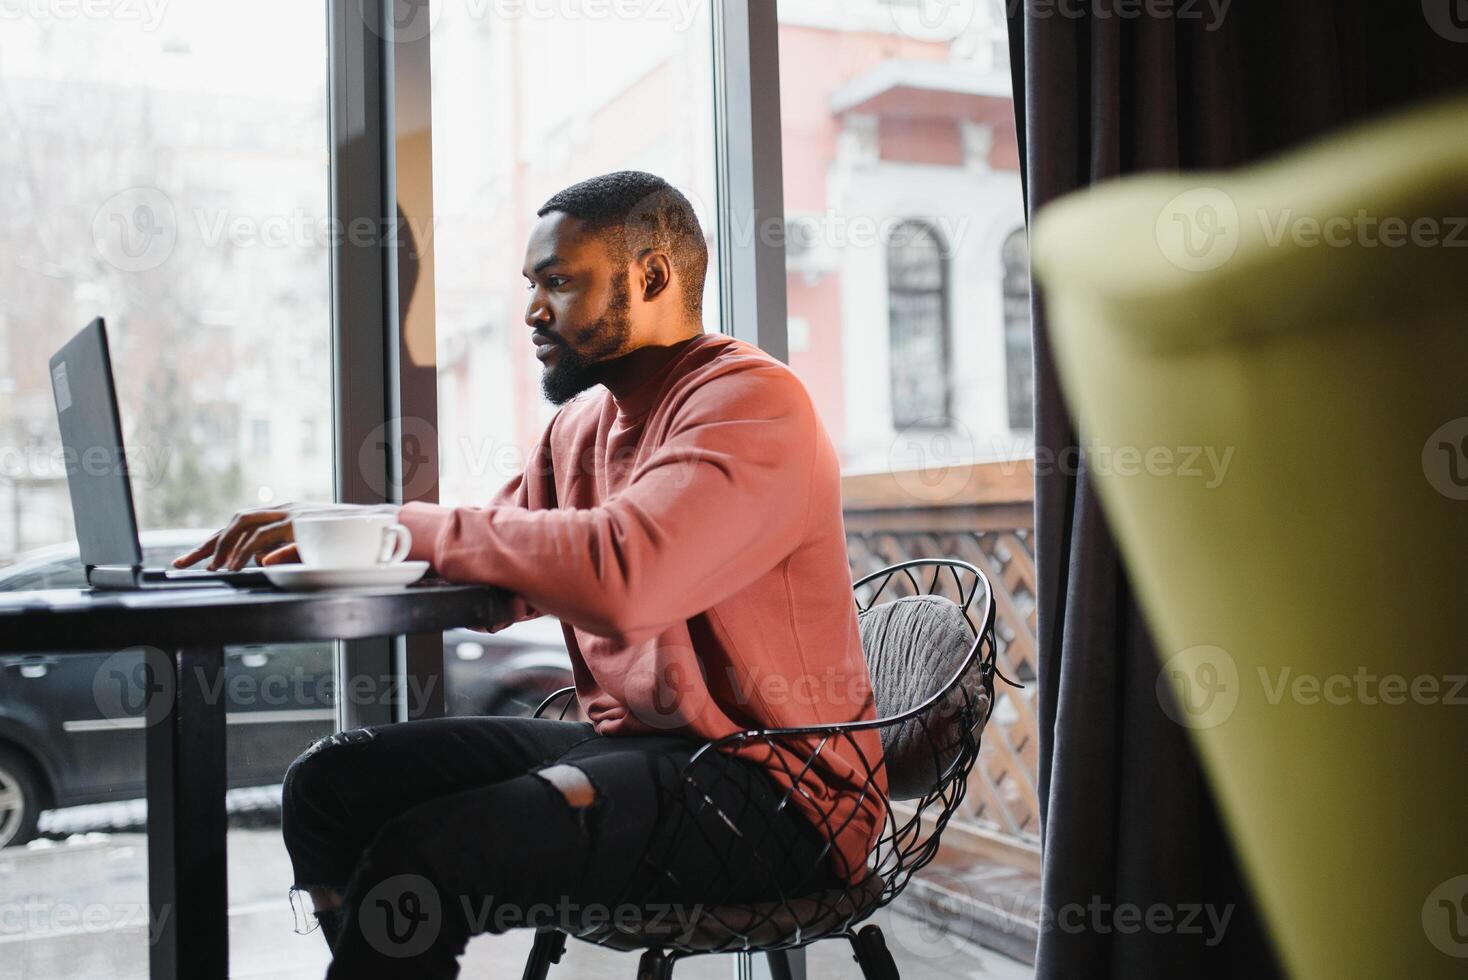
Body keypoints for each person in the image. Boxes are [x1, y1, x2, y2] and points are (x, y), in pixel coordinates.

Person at [174, 171, 886, 977]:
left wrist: (402, 525)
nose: (531, 312)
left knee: (427, 854)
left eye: (558, 283)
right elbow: (497, 566)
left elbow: (625, 574)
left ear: (651, 278)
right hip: (644, 751)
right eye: (531, 286)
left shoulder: (752, 402)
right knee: (328, 784)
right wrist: (337, 543)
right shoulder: (579, 426)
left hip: (781, 793)